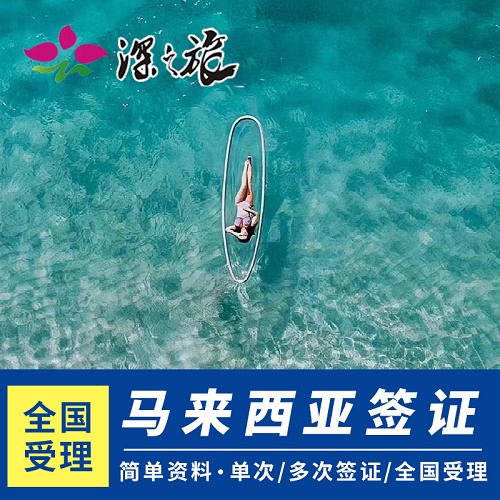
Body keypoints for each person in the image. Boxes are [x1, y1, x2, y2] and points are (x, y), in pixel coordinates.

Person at [225, 156, 259, 243]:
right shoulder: (251, 226)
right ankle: (249, 163)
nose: (243, 234)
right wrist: (248, 210)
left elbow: (227, 229)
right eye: (245, 235)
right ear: (248, 235)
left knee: (244, 185)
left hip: (239, 202)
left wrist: (236, 234)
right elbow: (256, 215)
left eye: (241, 235)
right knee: (249, 183)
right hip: (248, 203)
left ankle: (245, 165)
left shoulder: (236, 227)